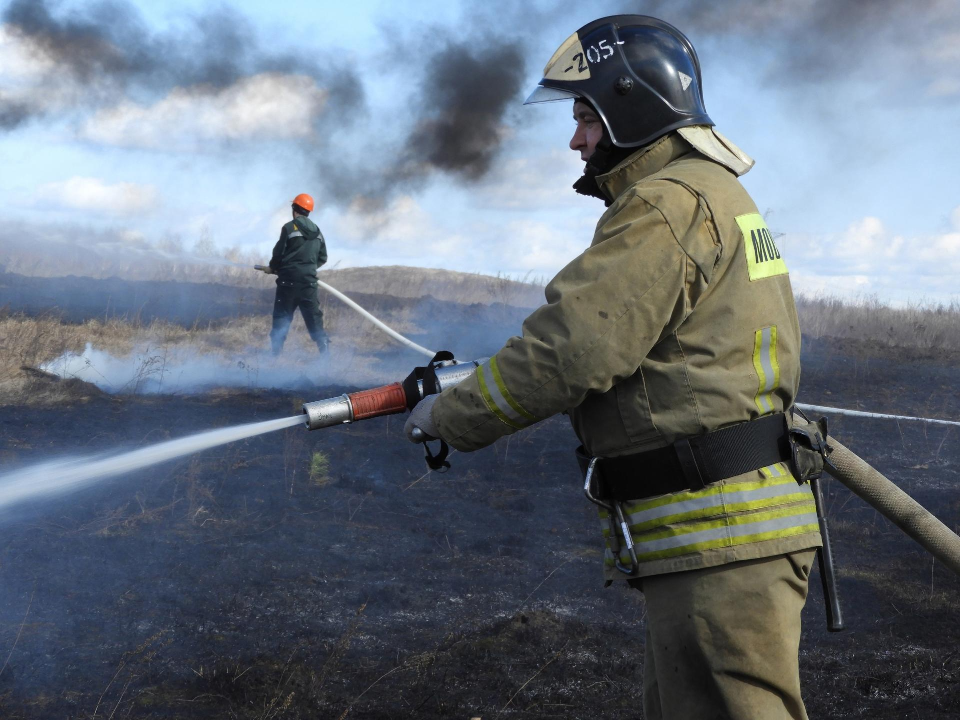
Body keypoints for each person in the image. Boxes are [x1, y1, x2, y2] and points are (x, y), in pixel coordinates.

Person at [404, 15, 822, 720]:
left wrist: (452, 415)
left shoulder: (667, 203)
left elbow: (574, 347)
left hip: (719, 532)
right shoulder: (709, 193)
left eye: (585, 116)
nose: (576, 139)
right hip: (718, 530)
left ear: (629, 106)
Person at [265, 193, 329, 355]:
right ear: (309, 211)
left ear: (294, 208)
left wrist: (275, 267)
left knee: (282, 317)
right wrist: (308, 269)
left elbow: (278, 253)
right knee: (314, 318)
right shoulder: (318, 231)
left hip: (288, 282)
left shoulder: (289, 227)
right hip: (309, 283)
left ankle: (274, 356)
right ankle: (325, 355)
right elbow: (323, 257)